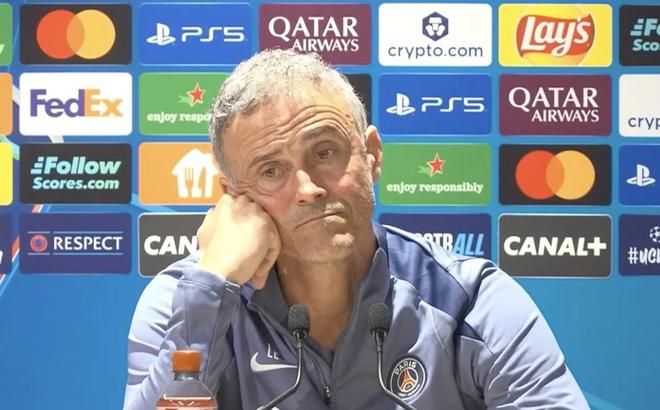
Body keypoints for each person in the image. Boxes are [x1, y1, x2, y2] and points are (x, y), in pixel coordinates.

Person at [123, 49, 589, 409]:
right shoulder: (182, 301)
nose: (307, 189)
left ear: (372, 155)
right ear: (232, 196)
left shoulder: (469, 302)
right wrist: (214, 282)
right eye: (270, 171)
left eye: (325, 152)